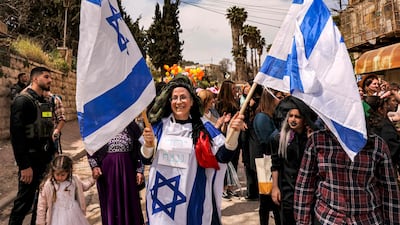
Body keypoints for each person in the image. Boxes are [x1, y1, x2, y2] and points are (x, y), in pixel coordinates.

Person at [141, 75, 245, 225]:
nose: (178, 102)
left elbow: (223, 156)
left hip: (193, 199)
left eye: (183, 97)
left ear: (191, 102)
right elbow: (145, 159)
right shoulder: (159, 127)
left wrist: (233, 134)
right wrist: (148, 145)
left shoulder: (203, 127)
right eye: (174, 98)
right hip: (162, 201)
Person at [294, 128, 400, 224]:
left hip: (367, 219)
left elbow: (389, 190)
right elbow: (304, 184)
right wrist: (302, 221)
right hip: (328, 218)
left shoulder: (377, 144)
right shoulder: (318, 140)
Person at [9, 66, 56, 225]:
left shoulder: (44, 101)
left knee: (42, 202)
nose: (50, 80)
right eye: (46, 77)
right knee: (23, 203)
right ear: (35, 79)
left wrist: (52, 153)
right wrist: (24, 165)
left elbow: (47, 128)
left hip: (44, 160)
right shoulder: (22, 101)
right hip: (30, 162)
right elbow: (17, 136)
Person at [270, 96, 318, 225]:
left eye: (297, 117)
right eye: (290, 116)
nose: (293, 119)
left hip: (307, 192)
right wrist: (275, 188)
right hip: (287, 191)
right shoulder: (279, 139)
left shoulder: (312, 139)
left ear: (304, 119)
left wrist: (311, 143)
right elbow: (275, 165)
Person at [88, 121, 145, 225]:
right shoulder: (99, 123)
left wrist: (140, 170)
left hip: (128, 171)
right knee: (111, 204)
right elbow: (90, 147)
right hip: (107, 172)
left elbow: (140, 147)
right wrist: (95, 166)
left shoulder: (131, 124)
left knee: (130, 203)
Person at [36, 155, 96, 225]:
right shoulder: (49, 185)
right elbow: (41, 205)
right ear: (53, 172)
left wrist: (93, 179)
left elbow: (84, 186)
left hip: (74, 213)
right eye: (57, 174)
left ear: (68, 172)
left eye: (63, 175)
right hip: (57, 216)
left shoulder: (73, 180)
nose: (60, 177)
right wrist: (40, 222)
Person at [252, 87, 281, 225]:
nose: (279, 100)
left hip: (270, 161)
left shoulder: (269, 115)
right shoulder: (262, 117)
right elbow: (267, 140)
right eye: (277, 97)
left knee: (272, 202)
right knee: (266, 200)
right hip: (266, 163)